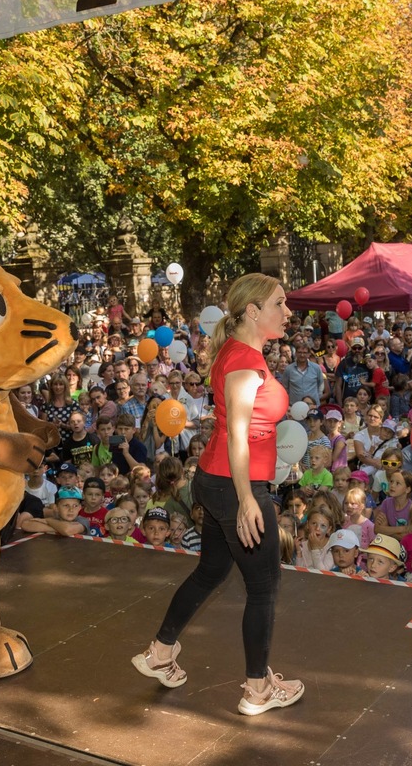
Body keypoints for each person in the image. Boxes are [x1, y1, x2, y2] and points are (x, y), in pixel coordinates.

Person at [133, 274, 304, 716]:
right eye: (280, 304)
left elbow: (239, 428)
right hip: (233, 486)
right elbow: (239, 436)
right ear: (253, 311)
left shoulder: (236, 350)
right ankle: (257, 691)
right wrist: (249, 500)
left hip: (216, 479)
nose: (288, 312)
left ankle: (160, 653)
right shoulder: (245, 362)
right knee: (264, 588)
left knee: (210, 572)